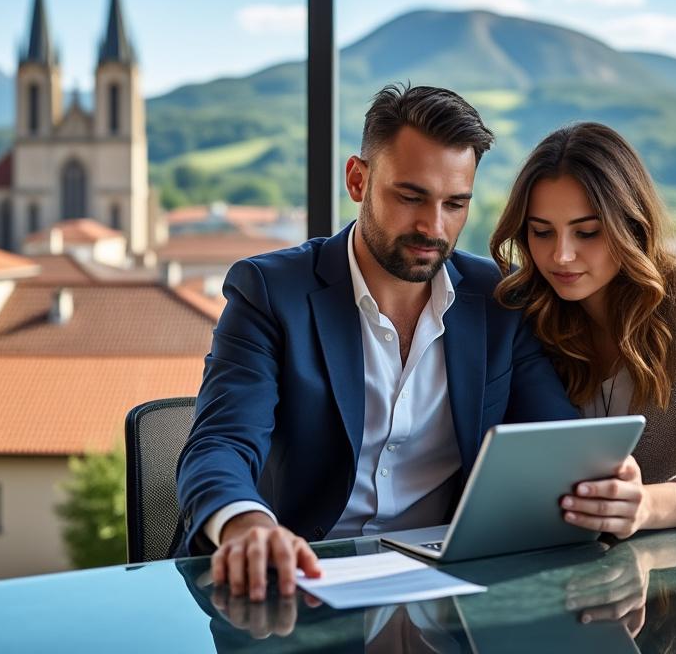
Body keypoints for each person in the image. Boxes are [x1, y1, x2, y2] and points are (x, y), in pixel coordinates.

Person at [176, 84, 576, 602]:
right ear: (357, 180)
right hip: (300, 589)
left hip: (447, 595)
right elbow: (220, 443)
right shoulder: (271, 292)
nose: (434, 227)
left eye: (455, 204)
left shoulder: (501, 300)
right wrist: (247, 524)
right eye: (411, 197)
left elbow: (560, 440)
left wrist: (600, 481)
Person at [488, 121, 676, 539]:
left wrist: (648, 505)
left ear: (631, 223)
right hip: (556, 575)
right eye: (541, 232)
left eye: (587, 232)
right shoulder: (525, 315)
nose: (561, 255)